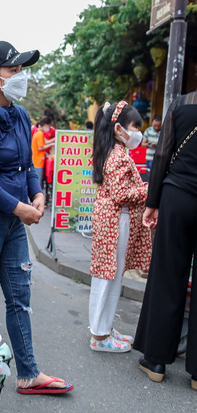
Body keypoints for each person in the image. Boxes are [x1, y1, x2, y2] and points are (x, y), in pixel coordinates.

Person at [0, 41, 73, 394]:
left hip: (12, 221)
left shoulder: (21, 115)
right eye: (15, 70)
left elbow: (29, 164)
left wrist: (36, 193)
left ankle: (28, 374)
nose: (21, 76)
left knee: (20, 297)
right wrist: (18, 207)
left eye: (21, 69)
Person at [134, 91, 197, 390]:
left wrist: (153, 201)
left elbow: (162, 154)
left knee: (167, 276)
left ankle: (156, 360)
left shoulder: (182, 105)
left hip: (178, 196)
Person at [89, 101, 150, 352]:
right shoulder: (118, 157)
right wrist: (147, 189)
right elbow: (120, 194)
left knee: (107, 276)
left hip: (111, 220)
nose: (138, 133)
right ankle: (100, 337)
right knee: (109, 278)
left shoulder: (113, 151)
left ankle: (103, 329)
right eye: (135, 127)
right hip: (116, 220)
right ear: (118, 129)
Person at [31, 116, 55, 183]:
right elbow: (40, 147)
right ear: (45, 125)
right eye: (49, 126)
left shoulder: (38, 132)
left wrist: (54, 140)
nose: (49, 128)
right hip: (37, 162)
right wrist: (52, 144)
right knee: (38, 182)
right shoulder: (40, 134)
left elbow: (45, 141)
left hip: (36, 161)